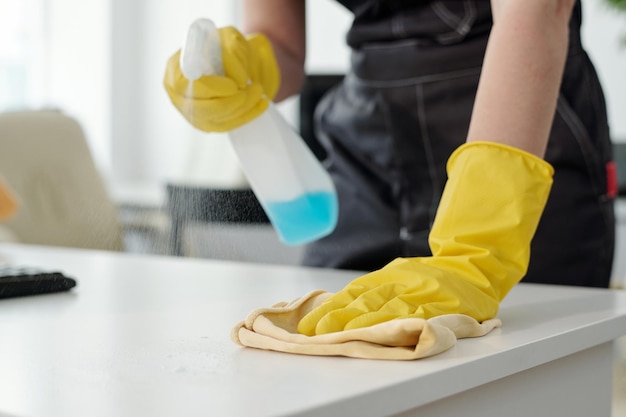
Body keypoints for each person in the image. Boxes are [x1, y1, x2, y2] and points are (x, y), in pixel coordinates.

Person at [165, 0, 615, 290]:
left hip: (522, 132)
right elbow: (281, 42)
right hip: (368, 155)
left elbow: (535, 11)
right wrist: (248, 68)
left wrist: (480, 239)